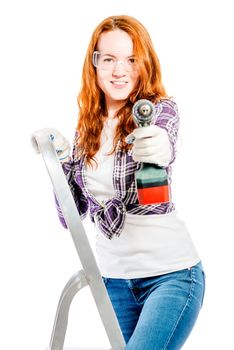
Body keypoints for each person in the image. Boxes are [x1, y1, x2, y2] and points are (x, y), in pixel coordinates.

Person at [52, 15, 206, 350]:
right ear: (95, 64)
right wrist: (62, 160)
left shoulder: (157, 109)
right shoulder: (87, 130)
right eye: (109, 59)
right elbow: (70, 216)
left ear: (144, 63)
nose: (119, 70)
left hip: (172, 276)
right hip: (115, 284)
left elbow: (165, 139)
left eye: (131, 59)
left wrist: (157, 145)